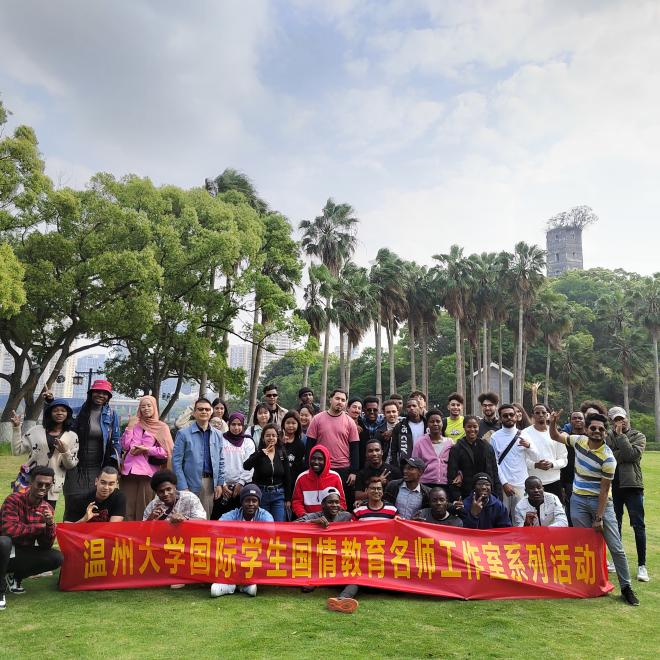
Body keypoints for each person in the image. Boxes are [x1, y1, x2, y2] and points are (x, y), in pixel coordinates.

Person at [549, 410, 639, 606]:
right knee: (584, 546)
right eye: (593, 428)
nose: (597, 431)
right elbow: (555, 436)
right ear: (587, 430)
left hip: (601, 503)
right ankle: (587, 583)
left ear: (605, 432)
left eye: (601, 429)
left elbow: (604, 490)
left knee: (615, 547)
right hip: (578, 501)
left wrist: (598, 518)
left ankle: (626, 588)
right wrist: (553, 421)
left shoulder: (608, 458)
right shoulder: (579, 441)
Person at [328, 477, 397, 614]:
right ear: (366, 490)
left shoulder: (392, 510)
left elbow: (398, 532)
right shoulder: (359, 511)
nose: (376, 491)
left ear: (383, 491)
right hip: (364, 556)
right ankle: (342, 599)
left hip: (385, 557)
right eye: (373, 488)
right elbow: (351, 533)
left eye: (379, 489)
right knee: (359, 574)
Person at [0, 466, 64, 608]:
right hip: (3, 550)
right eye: (39, 483)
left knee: (56, 557)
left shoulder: (47, 508)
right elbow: (9, 530)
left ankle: (15, 577)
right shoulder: (13, 500)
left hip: (21, 552)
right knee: (3, 542)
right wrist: (40, 527)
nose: (43, 488)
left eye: (47, 485)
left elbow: (45, 545)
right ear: (30, 482)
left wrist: (49, 525)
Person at [63, 379, 121, 520]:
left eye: (105, 393)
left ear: (108, 397)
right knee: (73, 504)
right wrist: (48, 402)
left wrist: (113, 463)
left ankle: (91, 534)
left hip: (98, 467)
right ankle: (69, 532)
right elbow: (57, 421)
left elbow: (116, 440)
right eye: (97, 392)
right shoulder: (76, 412)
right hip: (75, 466)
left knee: (94, 506)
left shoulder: (111, 415)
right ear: (91, 393)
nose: (101, 395)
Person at [10, 399, 79, 509]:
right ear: (49, 413)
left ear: (68, 414)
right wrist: (16, 428)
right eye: (55, 410)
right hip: (30, 482)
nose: (59, 413)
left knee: (46, 515)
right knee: (23, 513)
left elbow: (70, 465)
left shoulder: (72, 436)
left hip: (52, 485)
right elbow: (17, 450)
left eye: (63, 410)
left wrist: (65, 452)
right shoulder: (35, 431)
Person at [606, 406, 648, 582]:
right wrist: (622, 450)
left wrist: (621, 437)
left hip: (633, 485)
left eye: (621, 418)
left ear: (626, 418)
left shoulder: (638, 436)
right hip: (613, 485)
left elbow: (632, 455)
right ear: (611, 421)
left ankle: (642, 565)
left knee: (638, 525)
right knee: (615, 525)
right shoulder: (607, 436)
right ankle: (616, 561)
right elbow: (607, 456)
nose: (620, 422)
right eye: (616, 419)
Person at [211, 485, 274, 598]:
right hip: (235, 554)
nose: (251, 504)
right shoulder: (234, 514)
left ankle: (245, 584)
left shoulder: (265, 516)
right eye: (247, 500)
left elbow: (271, 533)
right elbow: (217, 528)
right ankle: (230, 584)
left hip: (255, 555)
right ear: (242, 502)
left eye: (254, 501)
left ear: (259, 503)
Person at [120, 395, 174, 521]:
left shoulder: (161, 427)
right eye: (143, 406)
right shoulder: (136, 424)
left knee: (144, 507)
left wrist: (147, 449)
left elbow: (167, 452)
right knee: (127, 508)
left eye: (149, 405)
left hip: (148, 474)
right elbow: (125, 445)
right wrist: (129, 427)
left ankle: (142, 532)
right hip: (129, 471)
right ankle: (127, 533)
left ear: (154, 407)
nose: (146, 408)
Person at [172, 398, 225, 519]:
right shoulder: (183, 434)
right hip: (189, 483)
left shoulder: (218, 434)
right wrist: (182, 486)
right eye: (200, 409)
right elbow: (176, 462)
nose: (204, 412)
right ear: (194, 413)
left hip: (209, 483)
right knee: (186, 519)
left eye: (207, 409)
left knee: (204, 518)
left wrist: (219, 483)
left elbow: (221, 461)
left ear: (211, 412)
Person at [304, 390, 360, 503]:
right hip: (321, 467)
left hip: (343, 469)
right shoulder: (317, 419)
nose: (340, 402)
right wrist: (309, 468)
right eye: (337, 398)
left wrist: (354, 471)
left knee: (342, 502)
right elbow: (310, 446)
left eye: (343, 400)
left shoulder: (350, 422)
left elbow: (354, 448)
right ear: (330, 399)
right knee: (321, 502)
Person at [490, 403, 538, 516]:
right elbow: (494, 463)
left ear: (516, 416)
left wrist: (529, 446)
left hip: (522, 484)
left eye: (511, 415)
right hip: (503, 485)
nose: (509, 417)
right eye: (505, 415)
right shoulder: (495, 437)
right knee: (502, 517)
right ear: (500, 418)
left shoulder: (525, 434)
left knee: (521, 518)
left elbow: (536, 457)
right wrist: (504, 483)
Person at [243, 423, 291, 522]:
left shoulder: (281, 454)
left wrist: (288, 499)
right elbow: (246, 466)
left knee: (279, 524)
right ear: (263, 438)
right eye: (268, 435)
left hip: (278, 494)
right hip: (262, 494)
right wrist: (261, 454)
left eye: (274, 435)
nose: (271, 438)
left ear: (277, 437)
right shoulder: (258, 453)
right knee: (263, 525)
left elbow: (287, 477)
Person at [447, 415, 502, 501]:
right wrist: (457, 497)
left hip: (486, 492)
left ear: (478, 427)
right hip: (466, 494)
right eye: (469, 427)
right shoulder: (456, 448)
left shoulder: (487, 447)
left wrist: (498, 495)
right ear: (464, 427)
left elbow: (494, 472)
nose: (472, 429)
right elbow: (452, 474)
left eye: (475, 426)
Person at [212, 412, 256, 519]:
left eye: (239, 424)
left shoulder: (248, 441)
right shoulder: (221, 439)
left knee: (240, 518)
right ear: (229, 424)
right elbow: (217, 462)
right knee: (220, 517)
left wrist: (241, 483)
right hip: (222, 487)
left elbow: (250, 464)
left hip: (242, 486)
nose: (236, 427)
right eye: (233, 424)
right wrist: (223, 484)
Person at [524, 403, 567, 501]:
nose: (541, 415)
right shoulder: (525, 433)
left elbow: (564, 459)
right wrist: (535, 465)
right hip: (533, 482)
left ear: (548, 415)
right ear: (533, 415)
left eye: (543, 412)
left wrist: (552, 464)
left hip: (554, 480)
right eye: (537, 413)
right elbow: (522, 459)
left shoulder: (556, 434)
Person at [291, 445, 346, 518]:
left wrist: (334, 517)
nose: (316, 462)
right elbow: (297, 502)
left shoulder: (335, 477)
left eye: (320, 459)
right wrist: (304, 516)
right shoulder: (301, 478)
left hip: (331, 520)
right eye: (313, 458)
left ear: (326, 460)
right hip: (308, 520)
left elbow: (341, 502)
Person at [143, 469, 207, 522]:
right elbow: (143, 529)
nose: (165, 494)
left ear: (175, 487)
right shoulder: (153, 505)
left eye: (168, 489)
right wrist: (150, 519)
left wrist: (184, 519)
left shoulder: (190, 498)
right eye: (161, 491)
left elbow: (203, 521)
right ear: (156, 493)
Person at [412, 409, 453, 489]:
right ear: (427, 424)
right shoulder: (419, 443)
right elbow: (415, 464)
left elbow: (455, 463)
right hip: (425, 484)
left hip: (446, 484)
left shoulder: (450, 442)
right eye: (432, 421)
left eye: (438, 421)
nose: (435, 424)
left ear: (442, 423)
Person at [560, 410, 585, 522]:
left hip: (588, 482)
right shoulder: (565, 439)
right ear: (570, 422)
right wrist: (562, 485)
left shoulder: (591, 438)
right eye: (574, 418)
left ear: (584, 420)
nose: (577, 420)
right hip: (570, 481)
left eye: (580, 418)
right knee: (571, 513)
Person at [387, 397, 426, 467]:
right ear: (406, 409)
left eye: (414, 406)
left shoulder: (427, 424)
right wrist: (396, 466)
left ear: (419, 407)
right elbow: (394, 450)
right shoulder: (399, 427)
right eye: (409, 406)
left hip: (425, 462)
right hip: (406, 464)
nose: (411, 408)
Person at [358, 396, 386, 468]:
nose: (372, 412)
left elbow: (400, 422)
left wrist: (393, 430)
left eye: (375, 410)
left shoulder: (385, 421)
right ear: (364, 410)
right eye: (369, 410)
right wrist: (353, 424)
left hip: (382, 463)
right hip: (362, 463)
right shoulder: (359, 421)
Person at [281, 410, 307, 484]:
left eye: (293, 423)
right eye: (288, 423)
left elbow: (298, 467)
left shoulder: (300, 444)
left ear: (298, 424)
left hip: (292, 481)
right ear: (283, 423)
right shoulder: (277, 440)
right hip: (277, 481)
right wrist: (281, 444)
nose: (290, 425)